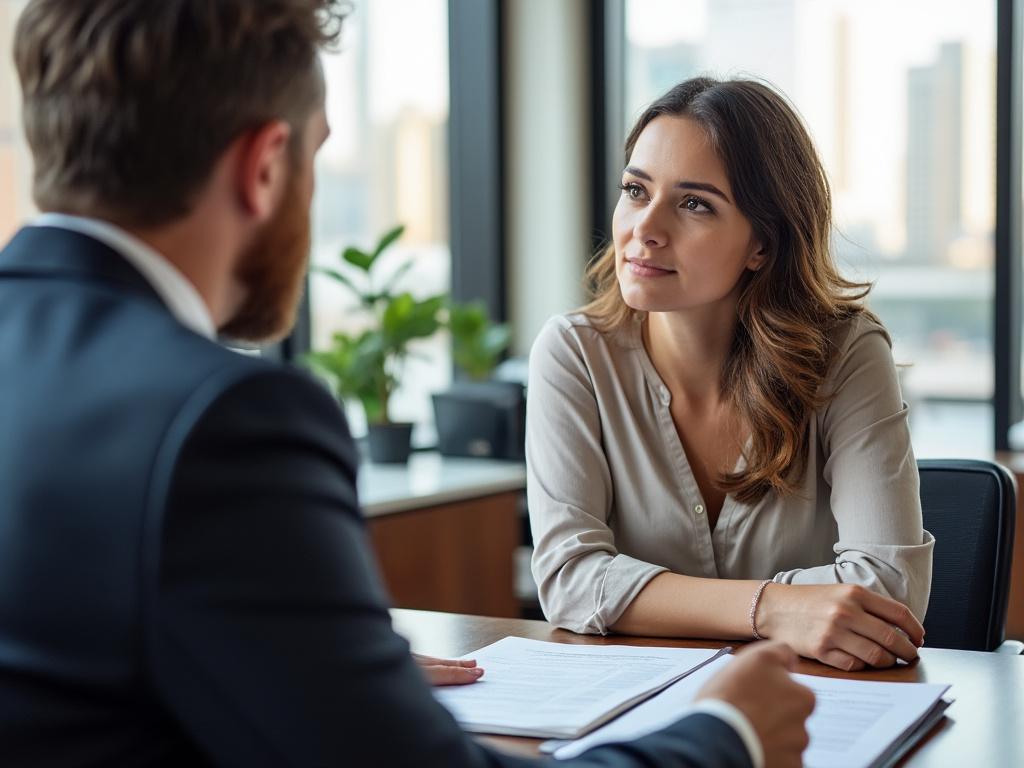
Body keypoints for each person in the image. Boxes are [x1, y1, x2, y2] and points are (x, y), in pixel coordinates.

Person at [0, 2, 815, 767]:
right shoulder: (223, 421)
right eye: (319, 156)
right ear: (264, 166)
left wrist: (318, 669)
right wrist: (726, 735)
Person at [527, 76, 935, 673]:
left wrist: (642, 597)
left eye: (694, 204)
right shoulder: (573, 354)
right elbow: (568, 580)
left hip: (813, 709)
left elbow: (888, 588)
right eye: (636, 190)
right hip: (636, 713)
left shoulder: (847, 352)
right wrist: (775, 609)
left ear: (762, 245)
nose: (645, 228)